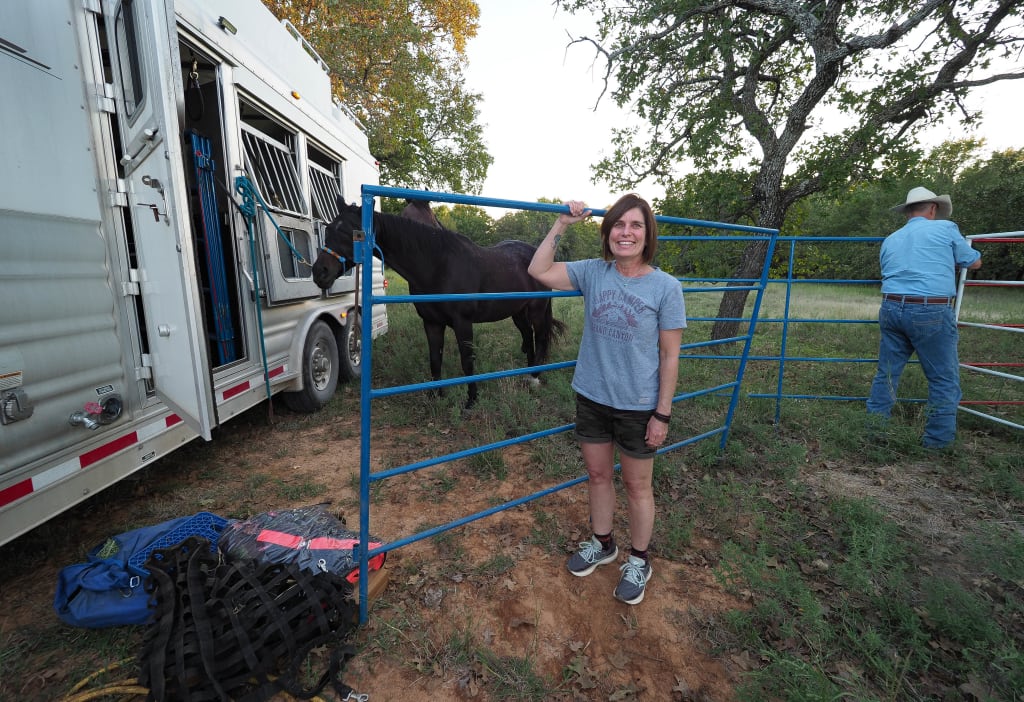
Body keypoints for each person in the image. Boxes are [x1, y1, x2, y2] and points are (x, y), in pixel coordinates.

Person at [528, 194, 686, 604]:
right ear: (608, 232)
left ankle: (639, 559)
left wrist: (662, 414)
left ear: (647, 234)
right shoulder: (594, 273)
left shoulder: (666, 287)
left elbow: (670, 356)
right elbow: (538, 269)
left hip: (638, 405)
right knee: (598, 476)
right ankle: (602, 544)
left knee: (637, 486)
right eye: (619, 225)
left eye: (635, 225)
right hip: (593, 397)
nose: (626, 232)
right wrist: (562, 224)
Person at [866, 186, 982, 449]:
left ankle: (874, 430)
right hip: (930, 308)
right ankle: (937, 443)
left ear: (907, 212)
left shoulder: (891, 238)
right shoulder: (945, 229)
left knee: (887, 373)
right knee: (943, 377)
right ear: (933, 208)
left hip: (891, 307)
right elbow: (971, 261)